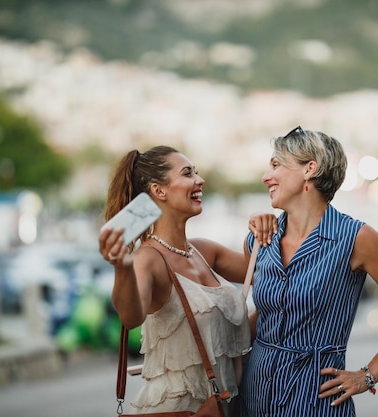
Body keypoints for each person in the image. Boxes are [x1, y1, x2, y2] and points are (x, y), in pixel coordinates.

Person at [240, 127, 378, 417]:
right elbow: (263, 316)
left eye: (276, 165)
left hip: (314, 402)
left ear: (310, 169)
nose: (267, 176)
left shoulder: (356, 238)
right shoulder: (261, 239)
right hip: (254, 398)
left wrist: (368, 376)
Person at [98, 146, 274, 416]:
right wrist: (122, 268)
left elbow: (272, 274)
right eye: (188, 173)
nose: (199, 180)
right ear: (159, 190)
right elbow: (131, 317)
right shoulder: (148, 260)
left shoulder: (204, 251)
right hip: (178, 408)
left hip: (225, 407)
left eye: (197, 173)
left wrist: (260, 226)